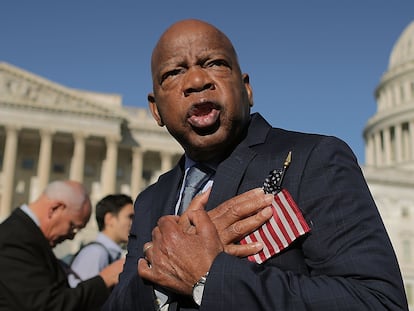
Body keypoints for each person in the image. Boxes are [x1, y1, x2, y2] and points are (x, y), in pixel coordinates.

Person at [103, 19, 408, 310]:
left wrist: (209, 277)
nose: (197, 81)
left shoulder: (314, 159)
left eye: (215, 64)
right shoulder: (149, 201)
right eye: (173, 72)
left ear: (247, 89)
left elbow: (376, 301)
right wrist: (164, 274)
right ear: (156, 110)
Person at [0, 180, 125, 311]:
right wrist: (104, 280)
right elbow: (47, 306)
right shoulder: (14, 240)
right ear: (55, 209)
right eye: (73, 226)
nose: (72, 236)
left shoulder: (24, 235)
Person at [69, 194, 134, 287]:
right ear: (109, 219)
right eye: (130, 217)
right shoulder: (96, 253)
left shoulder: (105, 253)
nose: (133, 223)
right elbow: (83, 295)